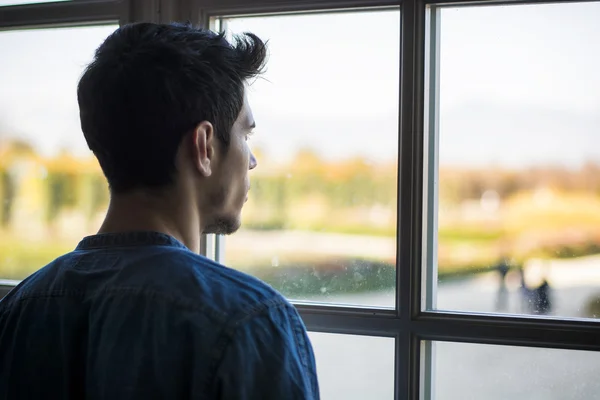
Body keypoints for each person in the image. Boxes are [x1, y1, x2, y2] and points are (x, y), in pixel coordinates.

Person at [0, 22, 319, 399]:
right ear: (203, 146)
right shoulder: (250, 320)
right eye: (245, 136)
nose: (251, 160)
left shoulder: (17, 311)